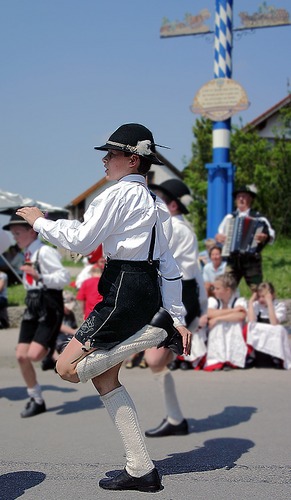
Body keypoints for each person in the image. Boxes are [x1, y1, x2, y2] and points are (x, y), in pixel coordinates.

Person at [16, 123, 192, 493]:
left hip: (123, 287)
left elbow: (81, 241)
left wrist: (39, 221)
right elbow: (169, 267)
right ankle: (141, 467)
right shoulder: (156, 205)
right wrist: (176, 312)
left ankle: (155, 334)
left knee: (66, 367)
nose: (105, 160)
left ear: (132, 160)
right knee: (106, 379)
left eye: (111, 154)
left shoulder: (117, 195)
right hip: (142, 287)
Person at [143, 178, 207, 437]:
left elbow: (153, 258)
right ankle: (175, 418)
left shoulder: (175, 229)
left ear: (172, 205)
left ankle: (175, 419)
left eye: (157, 198)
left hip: (179, 296)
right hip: (179, 295)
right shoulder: (178, 227)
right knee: (155, 359)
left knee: (154, 358)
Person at [2, 213, 70, 417]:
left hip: (48, 305)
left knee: (34, 355)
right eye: (13, 234)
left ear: (31, 232)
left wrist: (40, 276)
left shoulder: (44, 252)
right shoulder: (27, 255)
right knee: (21, 356)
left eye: (17, 233)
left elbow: (63, 277)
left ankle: (54, 347)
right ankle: (36, 398)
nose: (15, 237)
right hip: (32, 306)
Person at [215, 185, 275, 291]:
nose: (241, 199)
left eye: (244, 196)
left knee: (258, 290)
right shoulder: (230, 217)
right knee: (226, 287)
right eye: (239, 197)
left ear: (250, 199)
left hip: (251, 260)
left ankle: (260, 306)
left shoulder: (259, 217)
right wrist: (219, 238)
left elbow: (271, 234)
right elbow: (219, 234)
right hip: (233, 260)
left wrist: (264, 237)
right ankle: (227, 307)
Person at [203, 274, 247, 371]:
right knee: (218, 326)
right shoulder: (214, 301)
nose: (214, 291)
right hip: (217, 330)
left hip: (235, 330)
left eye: (217, 288)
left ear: (227, 290)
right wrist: (232, 311)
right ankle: (217, 359)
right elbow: (210, 313)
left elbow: (240, 316)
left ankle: (231, 358)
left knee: (231, 324)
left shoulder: (239, 301)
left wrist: (218, 318)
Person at [247, 282, 291, 369]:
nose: (261, 300)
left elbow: (274, 323)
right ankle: (251, 356)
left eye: (263, 297)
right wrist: (251, 302)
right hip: (259, 333)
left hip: (272, 332)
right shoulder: (256, 305)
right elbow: (251, 321)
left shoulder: (279, 305)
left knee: (278, 329)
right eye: (259, 297)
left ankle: (276, 357)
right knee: (248, 327)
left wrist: (270, 303)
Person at [41, 290, 78, 370]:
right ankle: (58, 361)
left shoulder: (70, 314)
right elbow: (58, 326)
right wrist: (73, 331)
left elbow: (74, 326)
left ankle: (69, 360)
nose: (69, 309)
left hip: (66, 339)